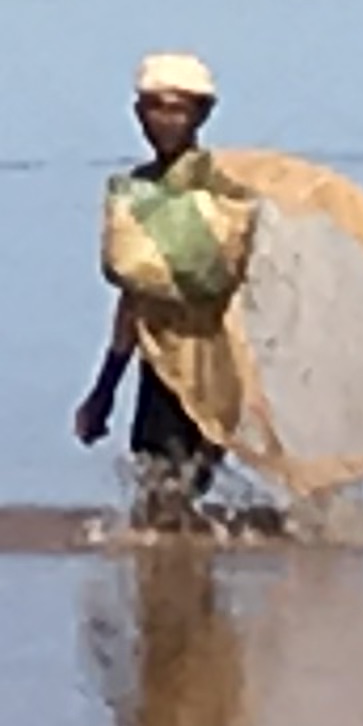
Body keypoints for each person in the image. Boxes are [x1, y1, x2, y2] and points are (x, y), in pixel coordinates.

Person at [76, 52, 248, 528]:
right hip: (160, 365)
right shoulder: (137, 192)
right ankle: (181, 570)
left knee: (177, 493)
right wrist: (105, 389)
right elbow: (135, 297)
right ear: (138, 114)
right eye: (154, 108)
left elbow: (242, 277)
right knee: (160, 494)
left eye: (177, 109)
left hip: (217, 359)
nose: (164, 121)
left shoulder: (224, 189)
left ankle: (184, 570)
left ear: (201, 115)